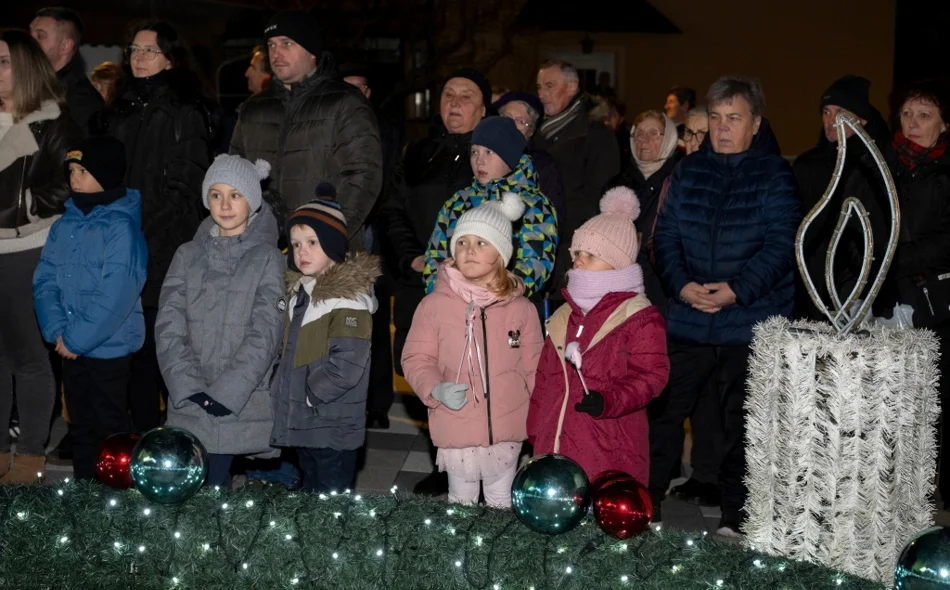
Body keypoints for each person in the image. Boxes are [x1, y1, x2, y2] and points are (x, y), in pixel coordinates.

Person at [652, 77, 800, 536]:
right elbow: (666, 236)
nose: (721, 128)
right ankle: (643, 505)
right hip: (690, 314)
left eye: (733, 119)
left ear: (755, 124)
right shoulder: (690, 171)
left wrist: (737, 290)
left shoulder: (775, 174)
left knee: (744, 422)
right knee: (664, 414)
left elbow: (782, 245)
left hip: (749, 319)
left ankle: (737, 518)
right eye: (715, 118)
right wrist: (683, 287)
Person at [101, 20, 213, 434]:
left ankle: (176, 438)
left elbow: (186, 187)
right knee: (128, 349)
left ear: (171, 57)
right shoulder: (119, 109)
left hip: (163, 247)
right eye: (134, 49)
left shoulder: (185, 110)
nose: (139, 57)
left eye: (150, 50)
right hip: (120, 244)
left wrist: (140, 231)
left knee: (160, 346)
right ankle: (140, 435)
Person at [402, 195, 543, 507]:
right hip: (457, 421)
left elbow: (535, 368)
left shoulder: (522, 310)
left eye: (481, 243)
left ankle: (500, 556)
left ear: (502, 253)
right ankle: (461, 556)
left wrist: (541, 419)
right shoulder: (434, 305)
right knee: (461, 501)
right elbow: (417, 358)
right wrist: (435, 389)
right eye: (462, 242)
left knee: (501, 500)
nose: (468, 250)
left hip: (507, 426)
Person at [156, 155, 284, 489]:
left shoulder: (267, 258)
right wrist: (189, 388)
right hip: (190, 398)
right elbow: (168, 324)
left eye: (235, 195)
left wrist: (225, 393)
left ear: (252, 201)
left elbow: (266, 333)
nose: (225, 205)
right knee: (190, 490)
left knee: (214, 488)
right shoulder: (187, 255)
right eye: (216, 194)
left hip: (236, 400)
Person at [527, 186, 669, 485]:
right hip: (555, 442)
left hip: (608, 446)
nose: (579, 260)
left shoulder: (638, 317)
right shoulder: (564, 315)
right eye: (577, 253)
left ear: (617, 262)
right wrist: (535, 428)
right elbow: (544, 379)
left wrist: (610, 399)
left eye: (591, 255)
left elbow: (652, 375)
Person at [32, 136, 146, 481]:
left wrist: (77, 339)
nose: (75, 178)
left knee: (109, 426)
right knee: (79, 423)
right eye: (72, 171)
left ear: (107, 175)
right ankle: (83, 494)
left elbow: (116, 293)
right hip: (69, 345)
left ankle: (116, 496)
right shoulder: (64, 225)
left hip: (107, 348)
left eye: (83, 170)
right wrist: (56, 331)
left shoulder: (121, 228)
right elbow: (44, 281)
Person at [0, 29, 81, 484]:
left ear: (27, 68)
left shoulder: (52, 122)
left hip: (29, 248)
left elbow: (70, 182)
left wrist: (28, 206)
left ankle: (29, 456)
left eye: (5, 62)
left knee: (30, 356)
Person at [230, 10, 382, 251]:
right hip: (261, 254)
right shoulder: (253, 109)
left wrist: (326, 237)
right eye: (271, 45)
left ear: (312, 52)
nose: (276, 54)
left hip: (328, 258)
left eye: (287, 44)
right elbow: (234, 177)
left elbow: (363, 177)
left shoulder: (345, 102)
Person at [270, 187, 382, 492]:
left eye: (311, 243)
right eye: (295, 245)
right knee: (310, 492)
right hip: (306, 423)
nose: (301, 252)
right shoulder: (300, 293)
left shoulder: (349, 300)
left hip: (331, 424)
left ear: (332, 245)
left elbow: (347, 363)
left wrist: (310, 394)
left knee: (331, 499)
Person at [876, 79, 950, 506]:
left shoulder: (945, 173)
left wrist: (894, 260)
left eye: (924, 115)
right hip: (887, 299)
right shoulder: (885, 164)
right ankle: (892, 486)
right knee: (893, 398)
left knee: (932, 401)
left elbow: (945, 239)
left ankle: (929, 490)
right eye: (907, 114)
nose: (914, 123)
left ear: (943, 125)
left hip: (933, 302)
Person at [421, 116, 558, 298]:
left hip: (508, 306)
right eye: (474, 152)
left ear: (509, 155)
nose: (479, 161)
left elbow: (536, 263)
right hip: (455, 304)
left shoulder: (534, 205)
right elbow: (435, 255)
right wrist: (441, 293)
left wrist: (498, 296)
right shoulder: (458, 202)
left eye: (489, 152)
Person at [794, 75, 890, 322]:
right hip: (811, 285)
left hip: (859, 288)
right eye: (826, 112)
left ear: (862, 119)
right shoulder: (807, 165)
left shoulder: (878, 166)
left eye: (840, 112)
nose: (831, 120)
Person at [612, 110, 682, 314]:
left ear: (668, 139)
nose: (644, 140)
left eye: (654, 133)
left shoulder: (678, 183)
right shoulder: (617, 183)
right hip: (620, 287)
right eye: (639, 133)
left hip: (661, 290)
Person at [30, 7, 103, 136]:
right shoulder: (29, 85)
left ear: (65, 46)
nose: (29, 41)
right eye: (30, 34)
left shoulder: (82, 103)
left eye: (40, 36)